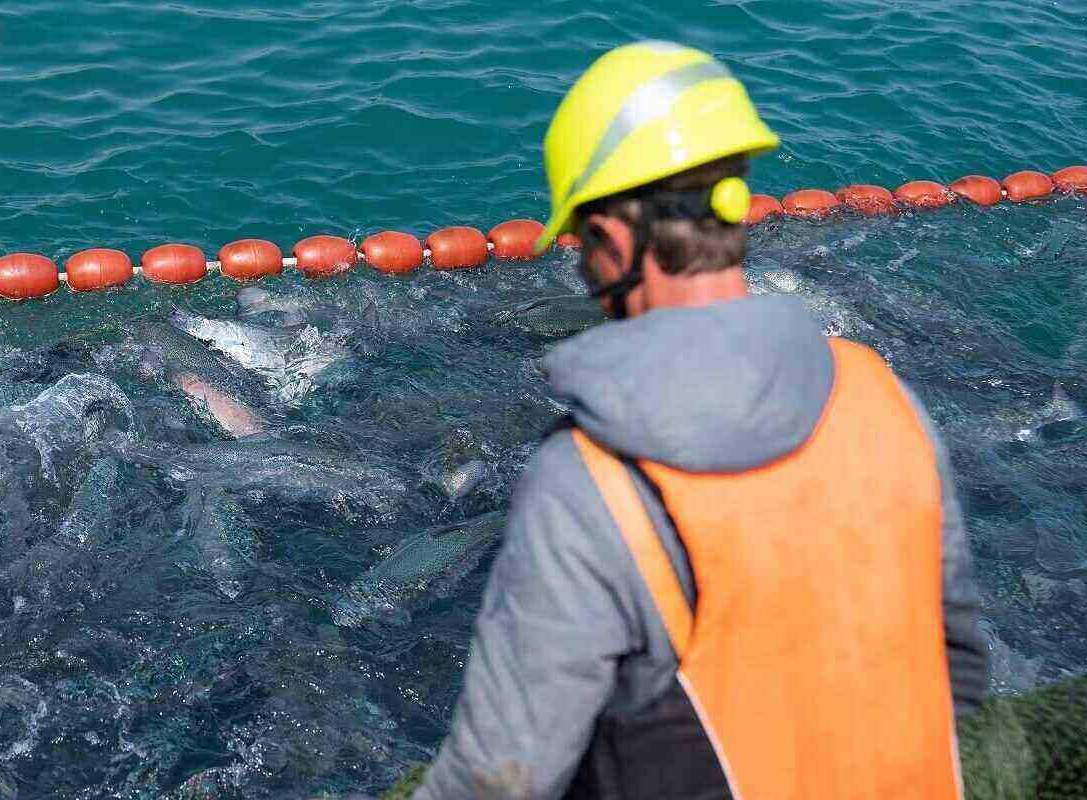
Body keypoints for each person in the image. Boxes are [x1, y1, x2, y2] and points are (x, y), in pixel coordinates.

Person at [409, 41, 988, 799]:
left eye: (583, 247)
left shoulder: (596, 478)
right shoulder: (884, 397)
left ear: (614, 243)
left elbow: (500, 778)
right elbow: (962, 669)